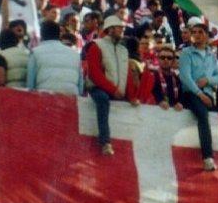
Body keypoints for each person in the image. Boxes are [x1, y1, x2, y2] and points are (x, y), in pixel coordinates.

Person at [83, 14, 140, 155]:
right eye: (119, 28)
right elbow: (94, 74)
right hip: (99, 88)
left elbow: (126, 74)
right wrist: (113, 89)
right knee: (102, 99)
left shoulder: (123, 50)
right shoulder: (96, 45)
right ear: (110, 29)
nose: (122, 30)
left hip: (116, 91)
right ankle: (105, 142)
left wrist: (131, 96)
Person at [178, 17, 218, 171]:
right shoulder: (186, 53)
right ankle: (207, 157)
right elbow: (185, 77)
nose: (196, 35)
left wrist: (208, 80)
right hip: (191, 94)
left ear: (206, 36)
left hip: (207, 93)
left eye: (200, 32)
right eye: (193, 32)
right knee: (203, 115)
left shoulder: (211, 55)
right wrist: (200, 93)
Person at [26, 20, 82, 95]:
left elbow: (30, 83)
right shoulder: (75, 54)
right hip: (71, 97)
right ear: (59, 34)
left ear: (41, 35)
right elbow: (80, 84)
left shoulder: (35, 53)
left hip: (45, 97)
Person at [145, 45, 184, 110]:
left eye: (169, 58)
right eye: (162, 57)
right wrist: (160, 101)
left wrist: (180, 103)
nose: (166, 60)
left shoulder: (177, 78)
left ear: (173, 60)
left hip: (174, 114)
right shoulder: (152, 75)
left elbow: (181, 95)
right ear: (158, 59)